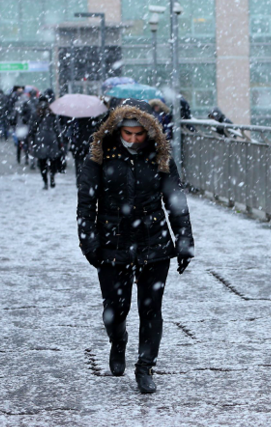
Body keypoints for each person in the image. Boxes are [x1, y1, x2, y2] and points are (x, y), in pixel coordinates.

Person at [76, 105, 195, 394]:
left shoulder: (160, 157)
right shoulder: (99, 158)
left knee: (151, 309)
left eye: (139, 134)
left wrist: (184, 242)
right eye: (127, 133)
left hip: (153, 242)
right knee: (115, 310)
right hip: (111, 244)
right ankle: (118, 340)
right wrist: (90, 245)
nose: (133, 139)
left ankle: (145, 366)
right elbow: (85, 205)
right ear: (117, 131)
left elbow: (175, 200)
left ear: (149, 132)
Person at [27, 91, 65, 189]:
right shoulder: (52, 113)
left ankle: (45, 182)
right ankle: (52, 177)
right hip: (52, 139)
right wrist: (60, 141)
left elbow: (31, 129)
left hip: (40, 140)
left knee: (42, 162)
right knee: (52, 161)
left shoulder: (36, 114)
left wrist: (31, 140)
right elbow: (57, 129)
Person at [67, 115, 104, 184]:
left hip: (80, 145)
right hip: (86, 145)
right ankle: (85, 180)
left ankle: (81, 181)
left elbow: (71, 132)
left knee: (80, 164)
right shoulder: (93, 119)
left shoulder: (76, 120)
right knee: (87, 164)